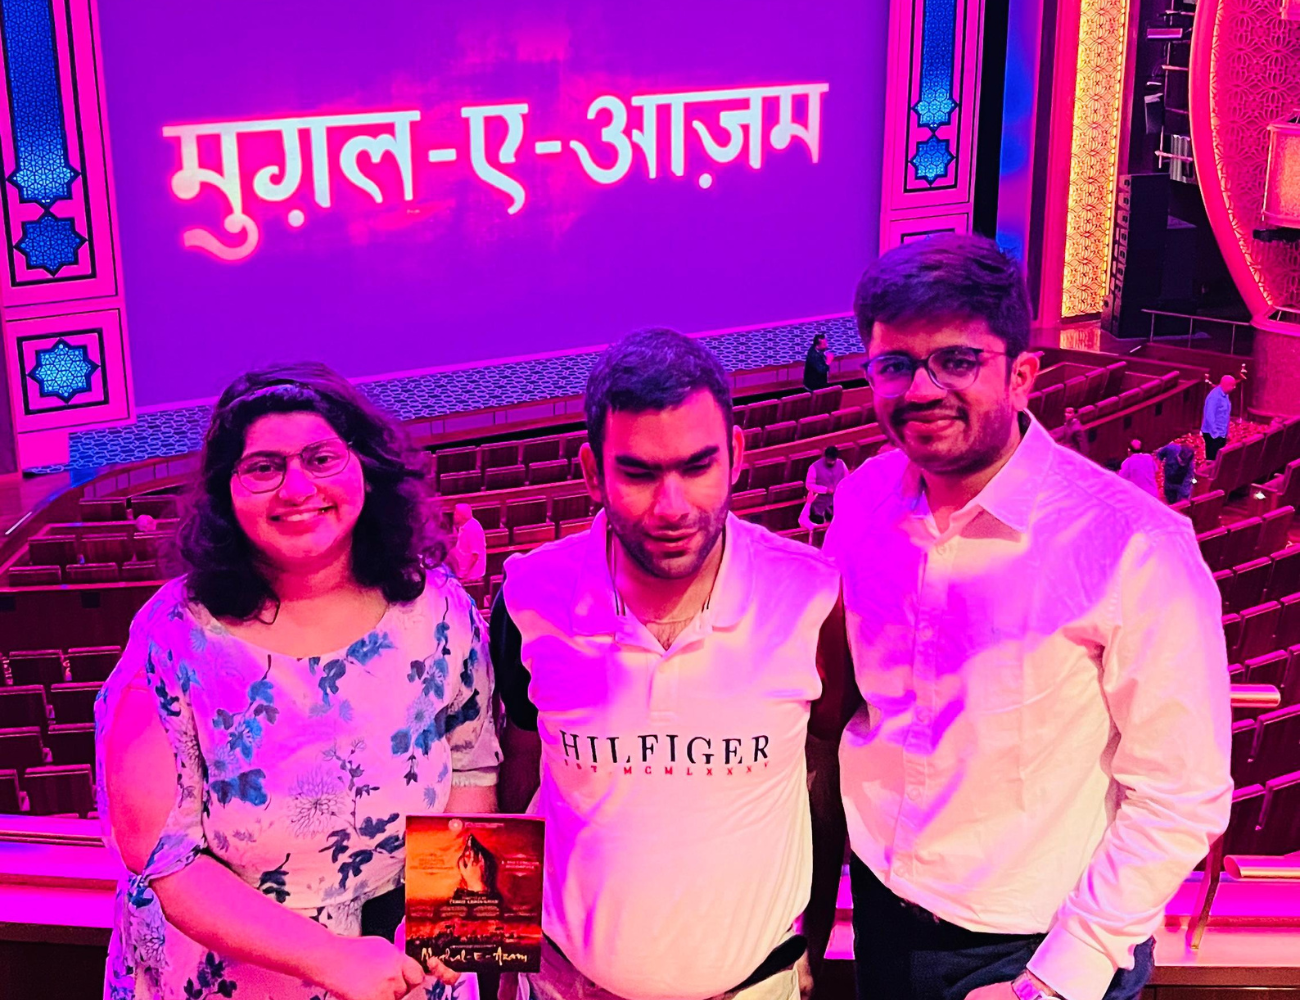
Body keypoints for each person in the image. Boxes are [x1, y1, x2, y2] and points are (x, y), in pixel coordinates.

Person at [825, 234, 1232, 1000]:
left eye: (955, 361)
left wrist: (1056, 982)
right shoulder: (862, 503)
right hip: (880, 907)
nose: (920, 389)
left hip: (1035, 951)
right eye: (894, 365)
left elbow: (1183, 794)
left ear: (1022, 373)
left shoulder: (1133, 546)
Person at [96, 363, 502, 1000]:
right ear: (225, 491)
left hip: (410, 969)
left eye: (321, 458)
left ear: (363, 468)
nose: (296, 488)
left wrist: (449, 924)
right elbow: (161, 853)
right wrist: (330, 960)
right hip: (230, 979)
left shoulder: (440, 608)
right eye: (263, 467)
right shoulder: (170, 637)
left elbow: (473, 765)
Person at [492, 329, 851, 1000]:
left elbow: (821, 773)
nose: (672, 506)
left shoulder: (812, 595)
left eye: (697, 466)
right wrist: (492, 965)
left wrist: (815, 956)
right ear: (591, 471)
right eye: (638, 472)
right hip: (566, 987)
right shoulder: (527, 596)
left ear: (737, 455)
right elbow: (507, 782)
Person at [805, 445, 849, 524]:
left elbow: (847, 480)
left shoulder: (841, 464)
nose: (830, 462)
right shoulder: (814, 467)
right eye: (828, 460)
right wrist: (825, 490)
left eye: (832, 460)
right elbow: (809, 485)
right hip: (819, 505)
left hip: (837, 503)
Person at [448, 502, 487, 581]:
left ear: (462, 516)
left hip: (471, 576)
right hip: (462, 569)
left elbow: (475, 556)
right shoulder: (464, 526)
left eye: (456, 514)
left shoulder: (471, 530)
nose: (454, 516)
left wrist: (465, 574)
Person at [1201, 375, 1235, 461]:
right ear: (1226, 385)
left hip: (1221, 433)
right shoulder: (1214, 397)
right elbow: (1209, 416)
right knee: (1212, 459)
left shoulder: (1225, 395)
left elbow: (1225, 415)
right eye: (1232, 385)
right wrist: (1215, 434)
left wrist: (1226, 432)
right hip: (1213, 434)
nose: (1234, 387)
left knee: (1218, 459)